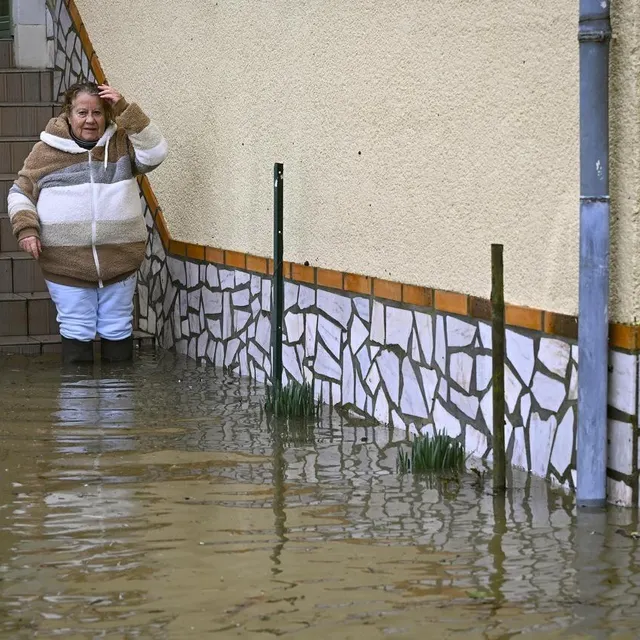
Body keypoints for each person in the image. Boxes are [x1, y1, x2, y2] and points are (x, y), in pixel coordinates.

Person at [7, 81, 168, 364]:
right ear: (68, 114)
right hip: (66, 262)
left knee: (118, 329)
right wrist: (26, 230)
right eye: (82, 112)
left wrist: (125, 110)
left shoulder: (121, 144)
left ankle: (116, 404)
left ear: (106, 114)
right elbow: (20, 192)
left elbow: (156, 153)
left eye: (97, 113)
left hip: (120, 260)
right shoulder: (45, 151)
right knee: (76, 330)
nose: (90, 120)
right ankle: (78, 405)